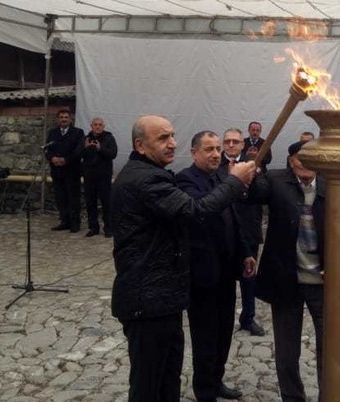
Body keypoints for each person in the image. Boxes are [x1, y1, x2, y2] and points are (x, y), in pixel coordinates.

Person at [111, 115, 257, 402]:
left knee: (168, 379)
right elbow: (196, 211)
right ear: (140, 145)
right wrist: (235, 181)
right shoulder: (146, 179)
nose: (172, 143)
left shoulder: (152, 174)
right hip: (147, 299)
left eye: (172, 136)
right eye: (163, 138)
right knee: (148, 384)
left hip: (163, 298)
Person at [177, 131, 256, 402]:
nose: (214, 154)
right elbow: (202, 210)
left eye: (217, 149)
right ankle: (205, 391)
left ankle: (217, 380)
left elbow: (233, 218)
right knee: (206, 337)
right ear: (194, 152)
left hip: (226, 272)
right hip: (202, 275)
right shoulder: (185, 180)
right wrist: (234, 181)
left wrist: (245, 252)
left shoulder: (222, 177)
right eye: (208, 149)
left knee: (224, 334)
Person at [254, 140, 326, 402]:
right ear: (291, 160)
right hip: (286, 278)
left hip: (322, 280)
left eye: (312, 156)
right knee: (286, 349)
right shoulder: (275, 181)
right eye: (300, 157)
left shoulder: (333, 184)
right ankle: (292, 397)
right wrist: (249, 174)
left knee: (329, 347)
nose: (306, 162)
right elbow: (253, 193)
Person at [222, 128, 266, 337]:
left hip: (248, 229)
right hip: (222, 231)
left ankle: (248, 317)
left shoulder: (253, 166)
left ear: (242, 145)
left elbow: (262, 193)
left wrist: (253, 178)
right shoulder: (215, 166)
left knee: (249, 277)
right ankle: (221, 317)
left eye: (235, 142)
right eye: (227, 141)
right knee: (222, 278)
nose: (231, 145)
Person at [46, 109, 84, 233]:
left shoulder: (78, 133)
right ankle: (64, 221)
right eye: (61, 117)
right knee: (60, 198)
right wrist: (52, 158)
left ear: (70, 119)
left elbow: (79, 151)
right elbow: (47, 149)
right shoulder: (53, 133)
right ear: (58, 119)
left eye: (66, 117)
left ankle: (75, 223)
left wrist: (66, 160)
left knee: (73, 197)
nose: (63, 119)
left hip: (72, 171)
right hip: (57, 171)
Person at [81, 117, 118, 237]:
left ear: (103, 126)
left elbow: (113, 154)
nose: (97, 127)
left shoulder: (109, 138)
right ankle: (93, 227)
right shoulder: (86, 139)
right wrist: (85, 148)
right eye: (95, 124)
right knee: (90, 202)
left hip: (104, 176)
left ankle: (109, 228)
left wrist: (100, 148)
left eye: (100, 125)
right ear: (91, 126)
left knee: (106, 203)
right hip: (89, 176)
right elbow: (78, 154)